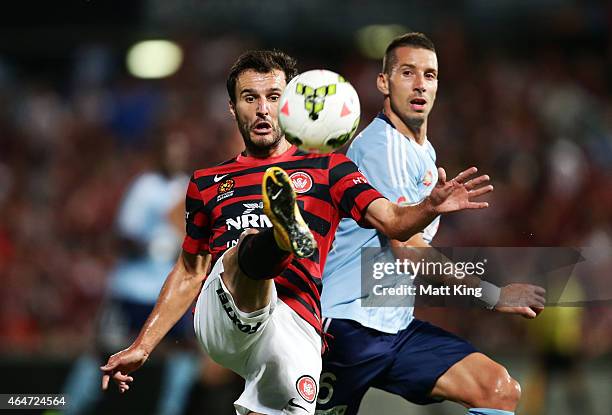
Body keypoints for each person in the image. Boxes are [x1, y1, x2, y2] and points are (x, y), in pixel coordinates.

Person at [99, 49, 492, 415]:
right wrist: (142, 346)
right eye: (250, 98)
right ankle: (280, 236)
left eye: (273, 96)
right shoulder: (207, 182)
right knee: (244, 256)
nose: (262, 109)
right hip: (225, 312)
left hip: (296, 327)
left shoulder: (330, 170)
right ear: (232, 107)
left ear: (289, 104)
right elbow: (189, 272)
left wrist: (429, 206)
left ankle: (281, 235)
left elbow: (391, 221)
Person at [317, 32, 546, 415]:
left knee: (498, 389)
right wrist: (492, 294)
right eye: (407, 72)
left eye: (430, 74)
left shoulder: (422, 151)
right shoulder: (381, 148)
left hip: (395, 327)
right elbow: (407, 250)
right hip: (347, 329)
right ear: (383, 82)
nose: (421, 83)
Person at [63, 133, 199, 415]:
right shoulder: (145, 187)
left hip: (167, 291)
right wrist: (152, 245)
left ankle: (170, 410)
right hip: (132, 289)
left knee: (185, 351)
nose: (176, 157)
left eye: (181, 152)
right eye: (172, 151)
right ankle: (68, 408)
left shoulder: (188, 187)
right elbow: (123, 237)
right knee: (100, 351)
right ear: (160, 153)